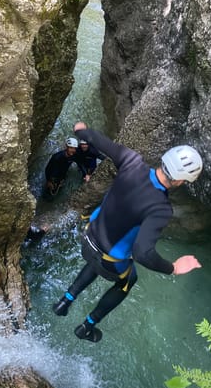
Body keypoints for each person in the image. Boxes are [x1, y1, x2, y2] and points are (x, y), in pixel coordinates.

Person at [52, 122, 203, 342]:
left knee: (99, 254)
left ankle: (65, 301)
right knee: (128, 279)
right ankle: (87, 326)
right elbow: (143, 253)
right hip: (107, 260)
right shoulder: (160, 209)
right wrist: (174, 268)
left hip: (87, 238)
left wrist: (81, 131)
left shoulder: (132, 161)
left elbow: (99, 140)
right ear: (180, 180)